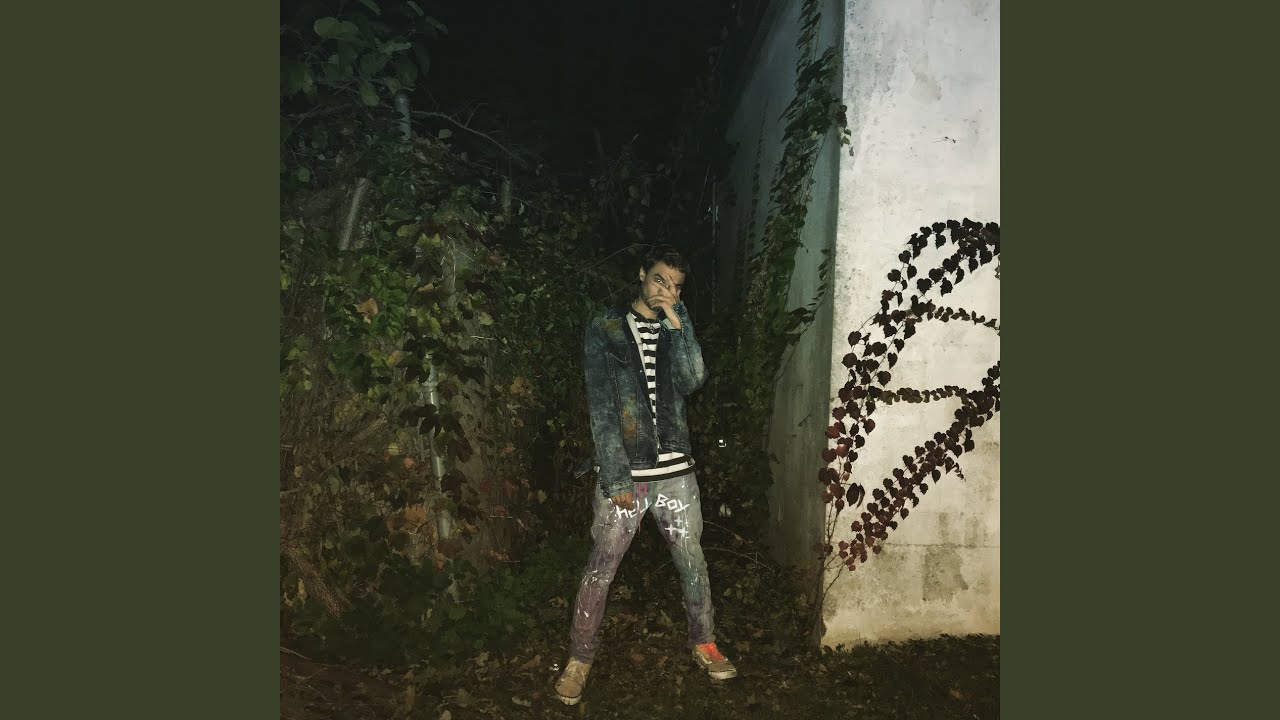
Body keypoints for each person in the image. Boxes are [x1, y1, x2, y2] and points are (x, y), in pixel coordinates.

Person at [555, 246, 737, 706]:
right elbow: (600, 405)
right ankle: (579, 658)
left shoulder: (677, 324)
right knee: (601, 568)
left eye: (676, 286)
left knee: (692, 561)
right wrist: (616, 478)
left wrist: (679, 325)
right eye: (659, 280)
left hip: (676, 474)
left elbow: (694, 379)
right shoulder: (606, 328)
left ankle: (705, 643)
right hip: (627, 475)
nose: (666, 291)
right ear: (641, 274)